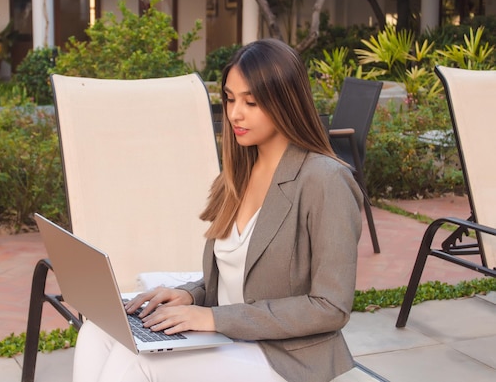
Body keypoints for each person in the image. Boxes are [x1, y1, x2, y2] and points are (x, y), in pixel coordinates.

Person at [73, 38, 364, 382]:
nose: (235, 113)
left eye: (251, 102)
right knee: (98, 331)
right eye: (229, 98)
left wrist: (212, 319)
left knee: (138, 365)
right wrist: (189, 295)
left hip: (284, 356)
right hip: (229, 338)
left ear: (286, 103)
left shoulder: (325, 181)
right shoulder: (239, 173)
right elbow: (235, 276)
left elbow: (331, 307)